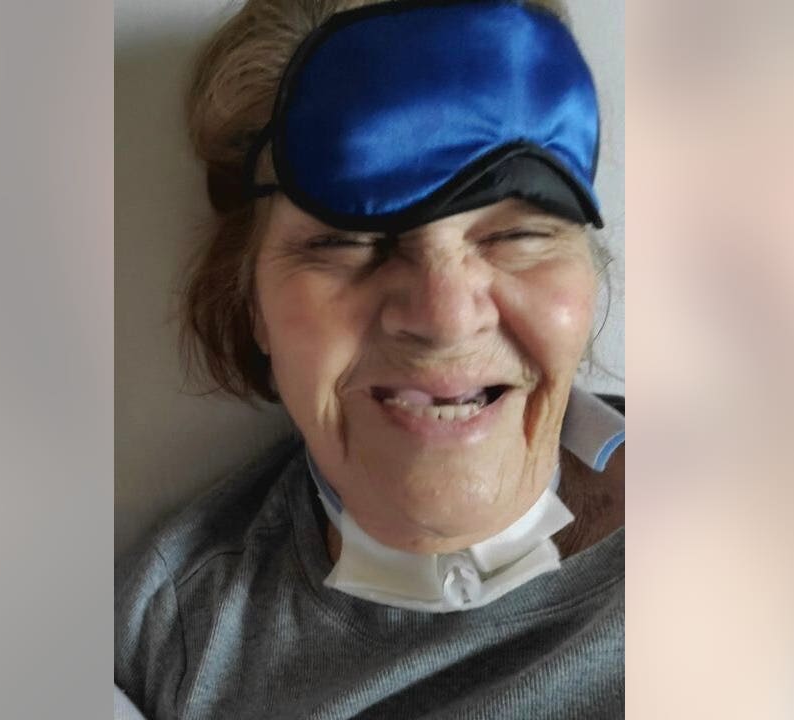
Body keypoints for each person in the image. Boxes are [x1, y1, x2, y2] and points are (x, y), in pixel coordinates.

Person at [115, 1, 624, 717]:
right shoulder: (172, 634)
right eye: (346, 242)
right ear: (251, 302)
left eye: (517, 234)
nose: (446, 319)